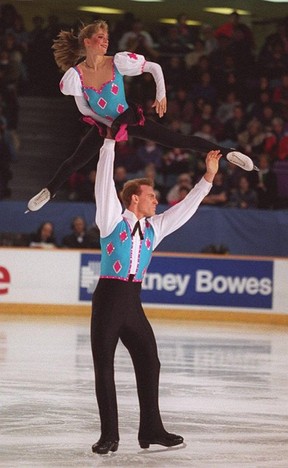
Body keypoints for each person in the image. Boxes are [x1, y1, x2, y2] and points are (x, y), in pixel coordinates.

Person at [26, 20, 257, 213]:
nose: (105, 41)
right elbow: (84, 109)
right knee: (75, 161)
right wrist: (107, 126)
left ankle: (229, 153)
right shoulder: (75, 76)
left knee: (179, 140)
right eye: (100, 37)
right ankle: (48, 191)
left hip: (128, 117)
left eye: (107, 37)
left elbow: (154, 67)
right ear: (87, 42)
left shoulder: (117, 61)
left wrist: (161, 95)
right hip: (103, 123)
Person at [90, 133, 223, 455]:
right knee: (104, 366)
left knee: (150, 362)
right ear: (134, 198)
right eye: (151, 196)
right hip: (108, 299)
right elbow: (104, 184)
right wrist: (108, 144)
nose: (156, 200)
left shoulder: (155, 228)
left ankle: (151, 428)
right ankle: (109, 436)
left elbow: (186, 209)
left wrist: (208, 177)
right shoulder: (110, 220)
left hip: (132, 302)